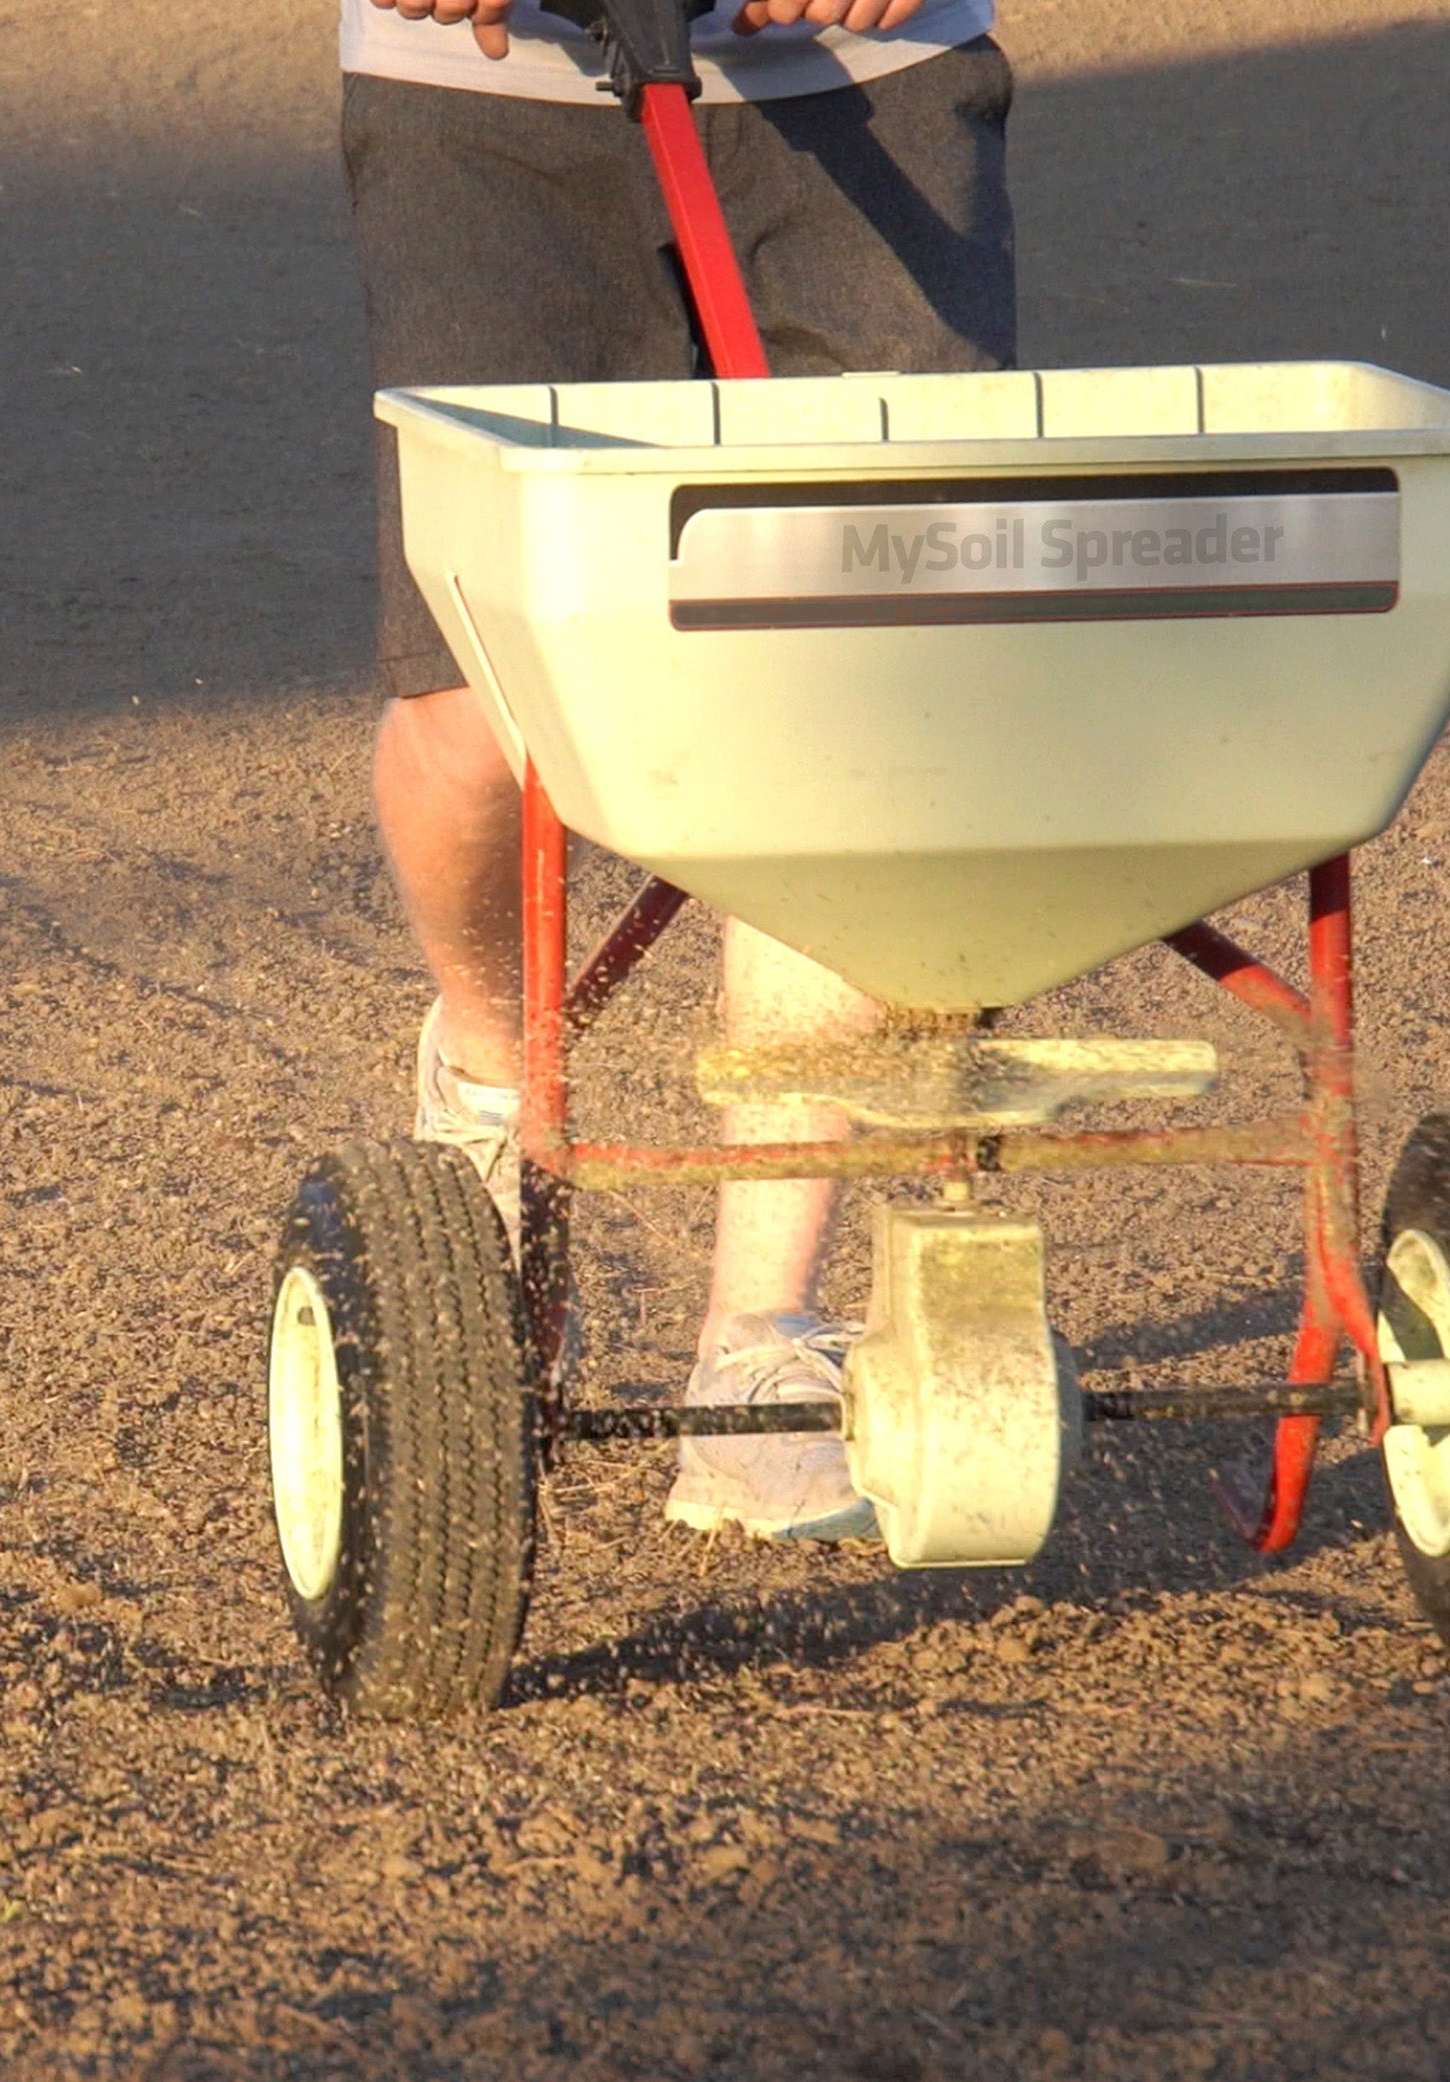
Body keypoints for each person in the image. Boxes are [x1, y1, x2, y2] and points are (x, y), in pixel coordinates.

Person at [348, 0, 1015, 1539]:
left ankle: (756, 1350)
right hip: (487, 90)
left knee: (854, 700)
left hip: (867, 82)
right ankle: (495, 1078)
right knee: (480, 704)